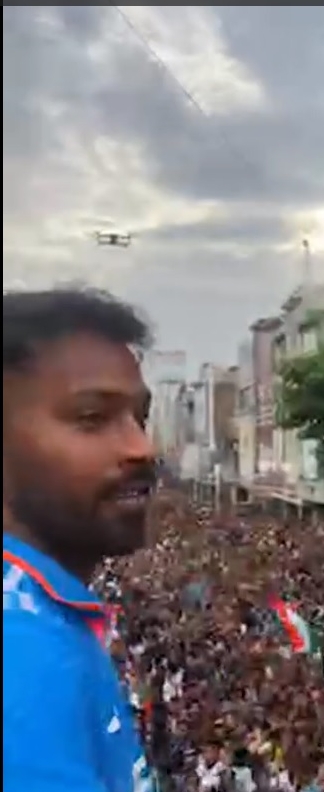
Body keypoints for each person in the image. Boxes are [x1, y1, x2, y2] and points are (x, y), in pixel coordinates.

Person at [3, 287, 157, 792]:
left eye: (141, 417)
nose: (142, 447)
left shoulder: (46, 619)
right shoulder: (21, 659)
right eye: (91, 418)